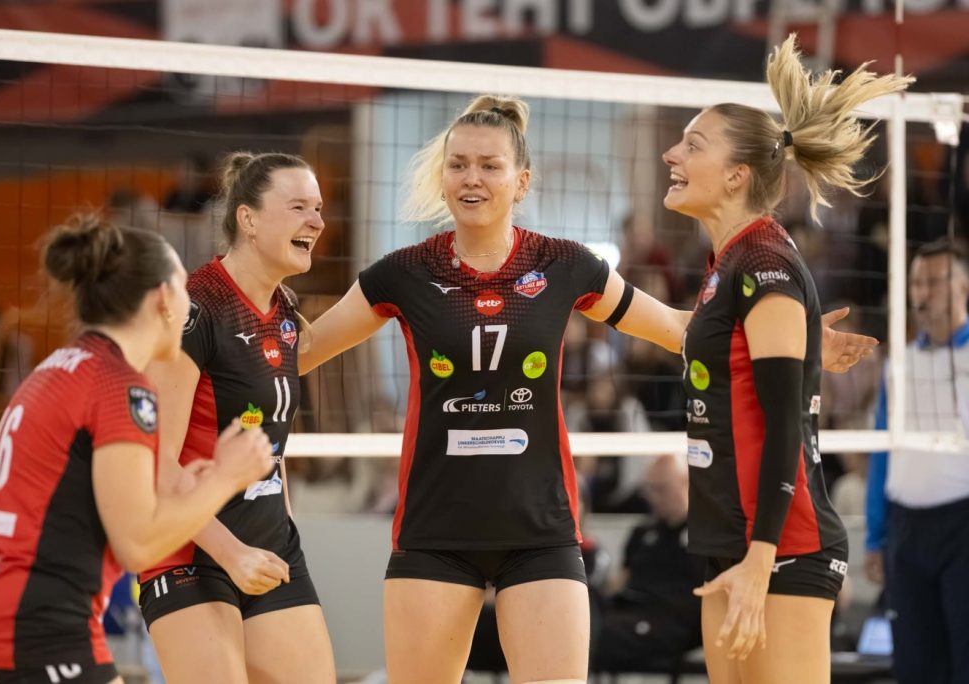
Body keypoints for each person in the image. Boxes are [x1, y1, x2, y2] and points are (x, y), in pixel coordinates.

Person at [298, 94, 875, 684]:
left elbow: (677, 328)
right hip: (434, 529)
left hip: (540, 531)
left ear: (521, 181)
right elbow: (301, 352)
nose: (472, 177)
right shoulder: (403, 271)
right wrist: (251, 297)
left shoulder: (565, 264)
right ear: (442, 177)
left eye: (490, 165)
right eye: (459, 164)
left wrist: (788, 332)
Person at [662, 35, 911, 684]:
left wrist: (761, 556)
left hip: (781, 546)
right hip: (732, 540)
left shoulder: (764, 263)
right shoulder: (730, 264)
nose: (672, 155)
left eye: (692, 145)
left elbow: (782, 427)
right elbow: (723, 354)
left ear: (737, 175)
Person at [0, 215, 272, 683]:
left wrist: (192, 488)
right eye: (184, 288)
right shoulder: (120, 387)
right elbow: (138, 544)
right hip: (35, 632)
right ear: (163, 298)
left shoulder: (53, 370)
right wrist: (225, 478)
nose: (190, 303)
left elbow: (86, 499)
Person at [138, 152, 336, 684]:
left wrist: (283, 524)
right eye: (298, 207)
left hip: (268, 544)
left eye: (318, 208)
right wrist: (233, 554)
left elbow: (269, 442)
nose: (317, 221)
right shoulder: (194, 310)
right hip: (190, 549)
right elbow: (155, 464)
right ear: (247, 219)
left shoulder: (286, 311)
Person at [865, 238, 969, 684]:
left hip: (962, 524)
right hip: (907, 532)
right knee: (913, 666)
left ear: (962, 286)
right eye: (916, 283)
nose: (922, 293)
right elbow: (883, 452)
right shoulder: (899, 365)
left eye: (933, 282)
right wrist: (875, 536)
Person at [592, 455, 703, 673]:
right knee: (586, 619)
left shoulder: (703, 537)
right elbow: (620, 581)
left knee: (598, 633)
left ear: (685, 484)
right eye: (649, 489)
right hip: (632, 612)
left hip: (674, 622)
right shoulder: (642, 533)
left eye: (662, 489)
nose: (654, 497)